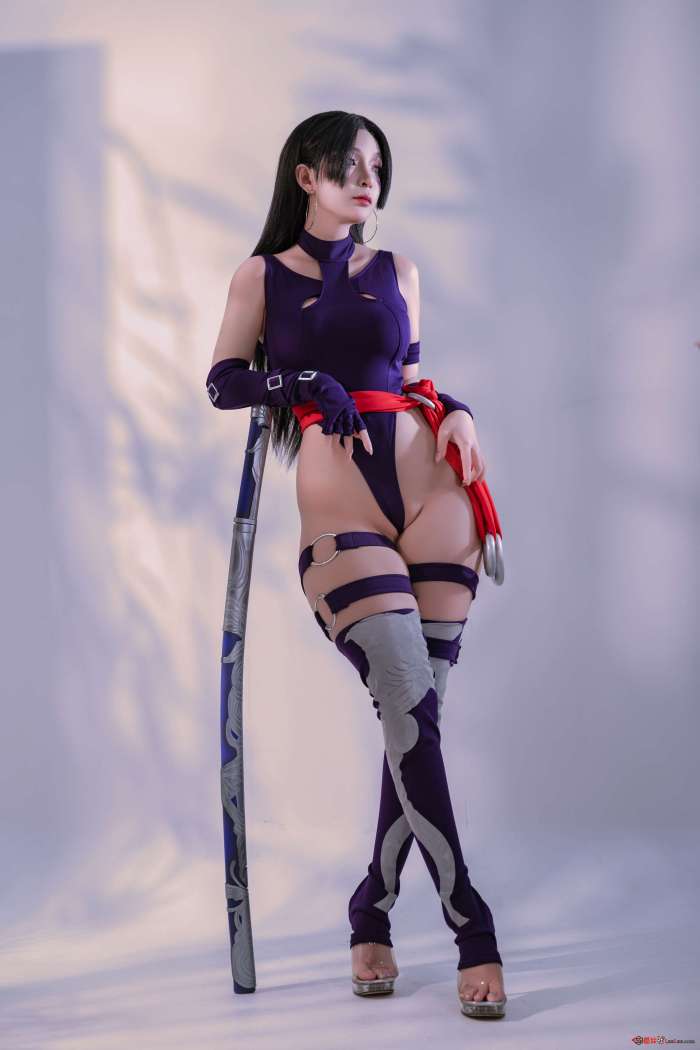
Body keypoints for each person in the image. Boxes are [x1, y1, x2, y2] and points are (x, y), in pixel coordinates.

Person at [205, 110, 507, 1019]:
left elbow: (408, 377)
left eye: (378, 164)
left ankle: (370, 909)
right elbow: (225, 380)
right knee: (408, 703)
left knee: (416, 720)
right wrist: (300, 381)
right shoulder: (261, 276)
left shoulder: (398, 270)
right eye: (348, 163)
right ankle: (473, 929)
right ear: (306, 174)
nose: (367, 177)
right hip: (343, 512)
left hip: (439, 499)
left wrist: (456, 408)